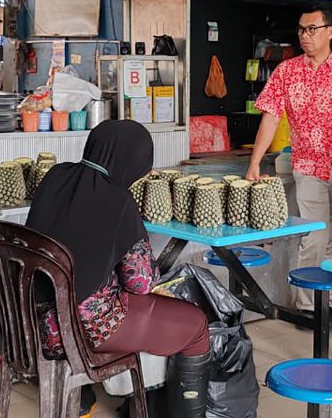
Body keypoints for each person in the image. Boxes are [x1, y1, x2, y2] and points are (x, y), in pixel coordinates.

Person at [27, 120, 212, 418]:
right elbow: (139, 283)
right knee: (194, 324)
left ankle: (84, 394)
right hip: (78, 329)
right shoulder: (118, 200)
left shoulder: (55, 176)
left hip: (31, 319)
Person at [246, 2, 332, 321]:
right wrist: (254, 163)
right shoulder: (286, 72)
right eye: (302, 29)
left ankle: (326, 301)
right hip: (308, 167)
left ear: (330, 31)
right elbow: (270, 119)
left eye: (312, 29)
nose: (305, 36)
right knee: (315, 236)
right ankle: (308, 306)